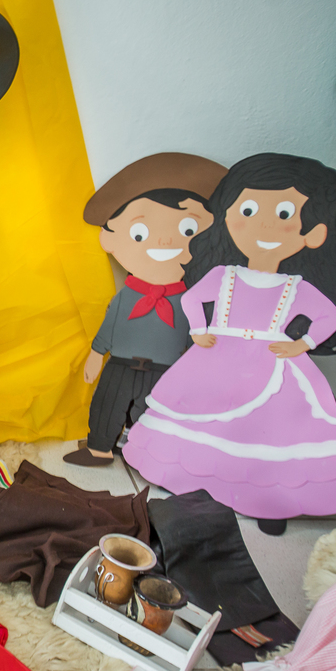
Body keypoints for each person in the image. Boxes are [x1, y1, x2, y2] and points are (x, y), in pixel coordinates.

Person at [122, 153, 336, 532]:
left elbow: (328, 316)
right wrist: (199, 329)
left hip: (271, 359)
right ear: (228, 217)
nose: (264, 224)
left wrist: (302, 343)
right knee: (197, 414)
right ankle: (182, 477)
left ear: (312, 233)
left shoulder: (294, 286)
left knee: (271, 430)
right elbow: (191, 299)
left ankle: (270, 501)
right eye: (248, 210)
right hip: (217, 355)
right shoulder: (224, 275)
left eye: (284, 214)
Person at [64, 153, 226, 467]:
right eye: (140, 233)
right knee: (106, 404)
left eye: (188, 230)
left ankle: (145, 454)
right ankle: (99, 448)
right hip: (120, 365)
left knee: (152, 414)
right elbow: (110, 325)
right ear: (109, 238)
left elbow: (196, 334)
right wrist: (96, 354)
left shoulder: (192, 299)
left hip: (165, 369)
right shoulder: (127, 295)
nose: (165, 240)